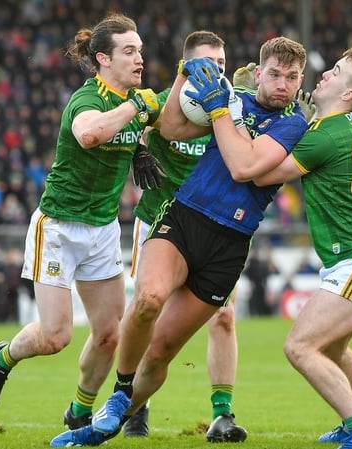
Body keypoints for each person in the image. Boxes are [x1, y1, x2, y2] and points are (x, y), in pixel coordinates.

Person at [48, 36, 308, 447]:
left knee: (162, 351)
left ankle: (108, 423)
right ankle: (119, 395)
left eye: (292, 77)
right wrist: (184, 77)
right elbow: (170, 127)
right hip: (183, 218)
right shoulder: (232, 100)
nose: (282, 84)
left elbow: (244, 168)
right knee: (148, 299)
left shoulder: (294, 124)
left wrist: (221, 110)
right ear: (258, 73)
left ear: (300, 81)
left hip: (230, 244)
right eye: (275, 74)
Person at [0, 13, 164, 437]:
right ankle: (5, 356)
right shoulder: (87, 99)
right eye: (129, 51)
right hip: (59, 228)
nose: (140, 59)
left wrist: (141, 144)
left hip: (103, 230)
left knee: (110, 335)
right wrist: (136, 109)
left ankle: (79, 411)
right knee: (55, 336)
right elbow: (88, 134)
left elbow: (166, 120)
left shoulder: (138, 101)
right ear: (103, 59)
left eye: (140, 51)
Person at [251, 48, 352, 449]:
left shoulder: (326, 134)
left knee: (299, 347)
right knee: (334, 348)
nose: (325, 74)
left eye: (336, 72)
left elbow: (259, 175)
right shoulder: (338, 125)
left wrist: (239, 118)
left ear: (348, 94)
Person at [119, 30, 249, 439]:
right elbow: (132, 123)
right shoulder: (166, 101)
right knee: (148, 310)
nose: (216, 72)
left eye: (221, 65)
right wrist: (137, 149)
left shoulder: (230, 109)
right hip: (158, 224)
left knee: (224, 316)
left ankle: (222, 414)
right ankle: (134, 401)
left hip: (210, 227)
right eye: (206, 64)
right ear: (186, 66)